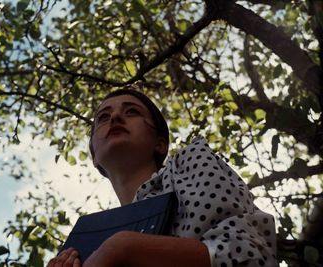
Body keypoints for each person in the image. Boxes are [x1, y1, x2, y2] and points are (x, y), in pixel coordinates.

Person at [47, 87, 277, 267]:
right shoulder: (85, 242)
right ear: (94, 157)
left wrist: (122, 248)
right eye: (103, 117)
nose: (115, 116)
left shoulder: (189, 164)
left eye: (132, 112)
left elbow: (247, 254)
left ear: (160, 143)